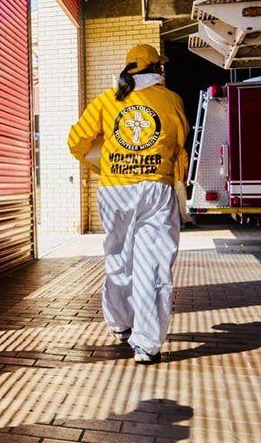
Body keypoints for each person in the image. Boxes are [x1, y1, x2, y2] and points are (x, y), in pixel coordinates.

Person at [68, 44, 189, 364]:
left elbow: (76, 141)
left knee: (119, 258)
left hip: (115, 190)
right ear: (158, 69)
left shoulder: (108, 99)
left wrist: (102, 166)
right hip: (155, 189)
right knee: (154, 265)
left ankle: (120, 323)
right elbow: (179, 142)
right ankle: (147, 344)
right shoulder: (171, 100)